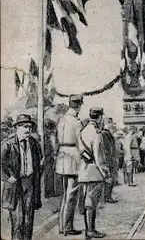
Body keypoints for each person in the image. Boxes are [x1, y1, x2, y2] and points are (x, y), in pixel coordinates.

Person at [1, 114, 43, 240]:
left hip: (29, 183)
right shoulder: (8, 144)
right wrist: (7, 177)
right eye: (25, 127)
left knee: (28, 219)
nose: (28, 130)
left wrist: (37, 173)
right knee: (18, 220)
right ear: (17, 128)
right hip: (15, 185)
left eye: (29, 127)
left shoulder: (34, 144)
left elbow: (39, 162)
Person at [78, 107, 109, 239]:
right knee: (92, 202)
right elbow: (98, 155)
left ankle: (89, 229)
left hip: (83, 170)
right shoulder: (97, 133)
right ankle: (90, 230)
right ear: (100, 117)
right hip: (94, 171)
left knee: (86, 200)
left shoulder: (83, 130)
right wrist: (104, 171)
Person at [55, 94, 84, 236]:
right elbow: (81, 142)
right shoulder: (76, 122)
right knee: (71, 194)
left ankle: (62, 226)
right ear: (79, 105)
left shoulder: (61, 119)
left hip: (62, 156)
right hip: (73, 157)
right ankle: (67, 227)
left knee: (66, 194)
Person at [101, 118, 118, 203]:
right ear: (106, 123)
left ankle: (108, 196)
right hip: (108, 159)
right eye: (110, 123)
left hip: (110, 158)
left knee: (111, 178)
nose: (112, 124)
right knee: (109, 178)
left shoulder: (107, 133)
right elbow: (106, 148)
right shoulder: (104, 133)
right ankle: (107, 197)